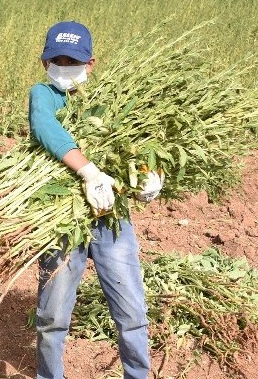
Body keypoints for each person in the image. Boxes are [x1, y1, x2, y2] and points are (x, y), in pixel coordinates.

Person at [28, 21, 162, 379]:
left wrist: (149, 176)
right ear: (45, 63)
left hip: (110, 219)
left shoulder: (109, 102)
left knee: (131, 313)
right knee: (52, 316)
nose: (63, 67)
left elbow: (136, 146)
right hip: (61, 222)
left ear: (90, 64)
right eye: (57, 60)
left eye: (72, 61)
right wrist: (88, 171)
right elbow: (45, 127)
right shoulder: (43, 95)